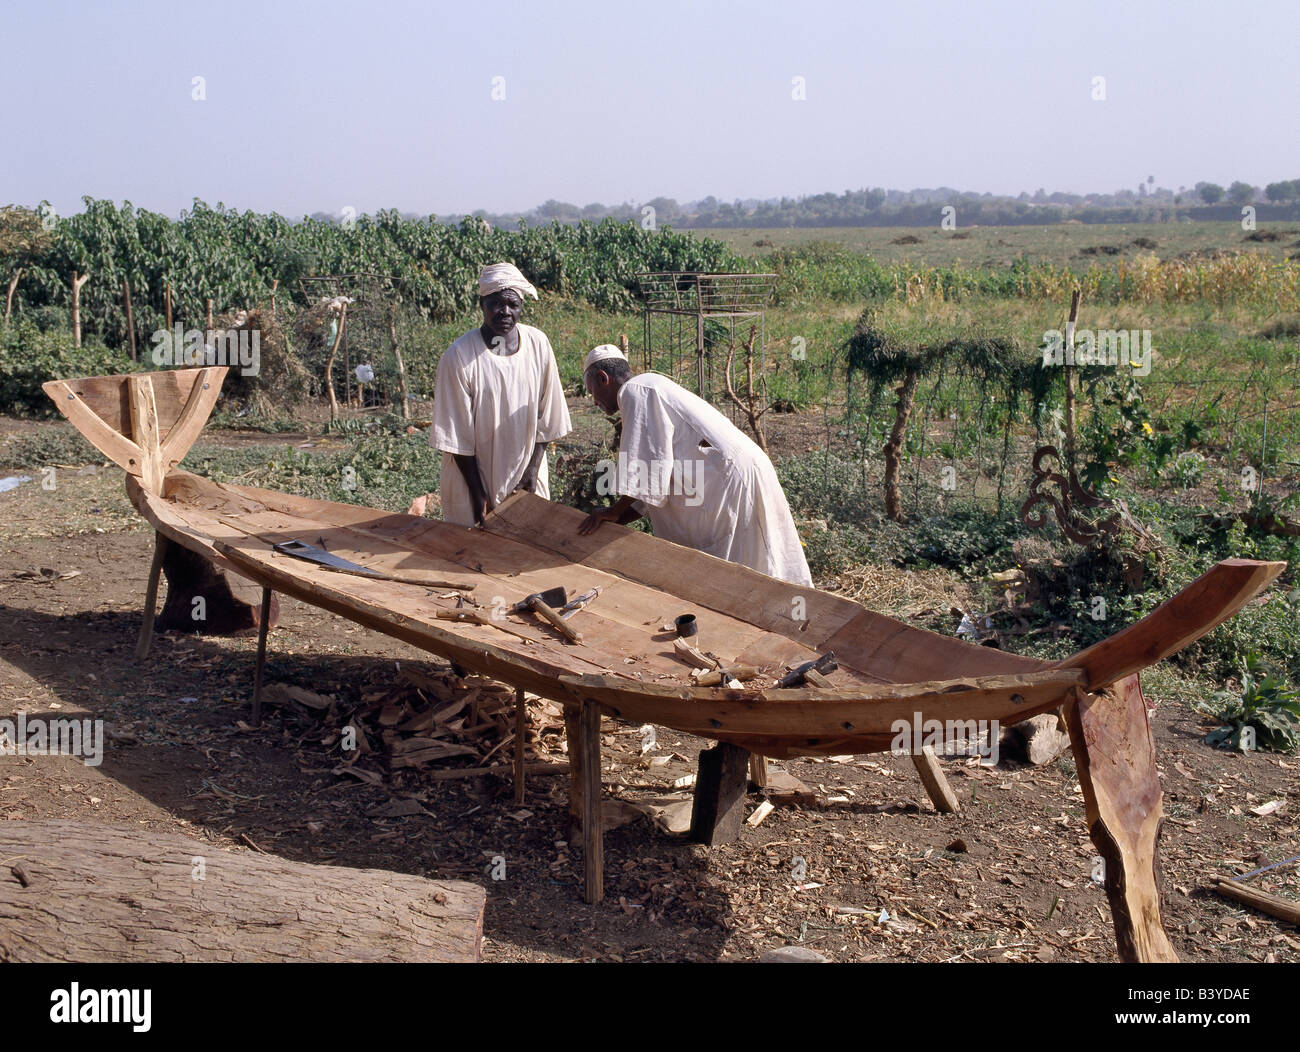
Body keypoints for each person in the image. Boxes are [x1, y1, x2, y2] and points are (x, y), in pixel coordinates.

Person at [577, 344, 812, 587]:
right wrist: (617, 518)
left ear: (602, 378)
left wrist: (613, 510)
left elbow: (645, 472)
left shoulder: (636, 391)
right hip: (736, 474)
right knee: (760, 562)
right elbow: (651, 487)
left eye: (590, 390)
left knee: (744, 572)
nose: (594, 401)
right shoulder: (650, 387)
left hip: (731, 482)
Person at [408, 263, 571, 526]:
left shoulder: (538, 344)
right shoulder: (459, 356)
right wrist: (479, 495)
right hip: (472, 480)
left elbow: (548, 416)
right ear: (482, 304)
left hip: (526, 474)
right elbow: (457, 436)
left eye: (513, 304)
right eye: (496, 303)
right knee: (472, 554)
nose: (505, 312)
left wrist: (531, 472)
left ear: (521, 307)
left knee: (528, 545)